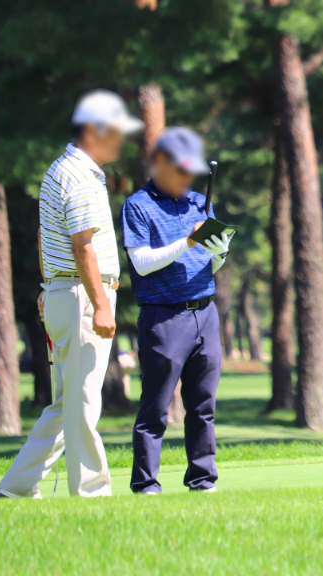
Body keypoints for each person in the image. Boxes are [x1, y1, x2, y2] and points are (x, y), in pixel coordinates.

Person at [0, 90, 144, 498]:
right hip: (82, 295)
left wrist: (49, 286)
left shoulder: (64, 169)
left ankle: (17, 486)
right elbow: (83, 247)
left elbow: (48, 239)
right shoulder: (79, 176)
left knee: (65, 406)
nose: (121, 141)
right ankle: (91, 492)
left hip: (66, 291)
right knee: (82, 404)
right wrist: (100, 304)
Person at [124, 127, 233, 494]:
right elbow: (141, 263)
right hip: (164, 317)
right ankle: (145, 484)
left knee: (202, 405)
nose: (188, 178)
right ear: (160, 164)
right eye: (182, 170)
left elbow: (209, 265)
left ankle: (202, 479)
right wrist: (188, 241)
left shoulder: (198, 203)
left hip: (205, 311)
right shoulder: (138, 205)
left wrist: (218, 253)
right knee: (155, 408)